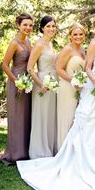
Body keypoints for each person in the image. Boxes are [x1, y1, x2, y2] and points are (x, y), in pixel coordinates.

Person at [17, 14, 95, 190]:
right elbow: (87, 67)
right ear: (94, 27)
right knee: (86, 121)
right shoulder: (92, 44)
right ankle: (79, 158)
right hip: (89, 84)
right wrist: (94, 79)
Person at [0, 14, 33, 165]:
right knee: (17, 118)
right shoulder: (14, 43)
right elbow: (4, 65)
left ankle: (25, 150)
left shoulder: (28, 42)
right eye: (25, 24)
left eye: (31, 25)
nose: (28, 28)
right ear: (18, 25)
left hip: (27, 82)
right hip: (16, 82)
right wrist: (17, 81)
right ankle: (15, 153)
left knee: (26, 117)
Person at [28, 15, 58, 159]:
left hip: (52, 83)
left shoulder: (50, 44)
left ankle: (49, 148)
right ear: (42, 28)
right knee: (41, 115)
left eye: (53, 26)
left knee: (49, 116)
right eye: (48, 26)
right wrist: (41, 85)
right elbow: (30, 68)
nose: (51, 29)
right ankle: (39, 151)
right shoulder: (39, 45)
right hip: (42, 83)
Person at [56, 23, 86, 151]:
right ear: (70, 35)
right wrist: (73, 80)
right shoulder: (68, 49)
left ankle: (73, 149)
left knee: (76, 118)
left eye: (81, 34)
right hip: (67, 87)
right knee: (67, 117)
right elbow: (58, 68)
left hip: (79, 89)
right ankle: (63, 149)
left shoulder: (83, 50)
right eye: (75, 34)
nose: (78, 37)